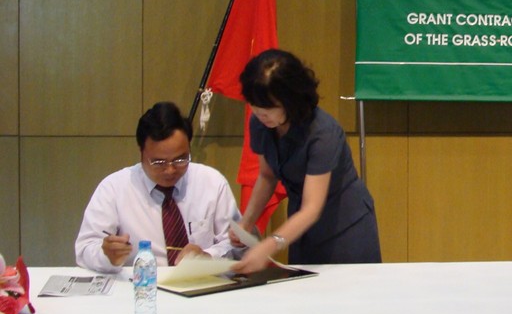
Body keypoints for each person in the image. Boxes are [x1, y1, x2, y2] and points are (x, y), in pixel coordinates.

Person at [231, 49, 381, 273]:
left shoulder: (322, 133)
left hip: (344, 228)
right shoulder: (260, 122)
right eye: (254, 104)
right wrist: (246, 223)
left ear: (291, 100)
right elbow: (267, 175)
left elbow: (312, 208)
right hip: (300, 228)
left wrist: (269, 246)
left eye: (269, 107)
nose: (260, 113)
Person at [75, 102, 243, 273]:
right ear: (141, 153)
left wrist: (208, 256)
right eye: (158, 162)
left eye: (180, 160)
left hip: (202, 286)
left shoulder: (212, 182)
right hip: (142, 287)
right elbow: (85, 249)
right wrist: (107, 256)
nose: (170, 170)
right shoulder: (114, 188)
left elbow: (238, 246)